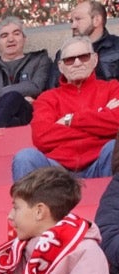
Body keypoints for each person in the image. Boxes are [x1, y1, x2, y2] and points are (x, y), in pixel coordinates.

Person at [12, 37, 119, 180]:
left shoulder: (113, 88)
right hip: (58, 170)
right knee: (25, 157)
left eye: (83, 57)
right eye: (70, 60)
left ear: (94, 59)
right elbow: (42, 137)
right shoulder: (47, 98)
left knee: (113, 146)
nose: (77, 63)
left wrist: (71, 119)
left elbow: (116, 124)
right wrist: (99, 118)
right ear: (61, 67)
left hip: (100, 162)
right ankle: (28, 203)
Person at [0, 17, 56, 129]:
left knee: (13, 97)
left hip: (29, 120)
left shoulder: (40, 61)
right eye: (4, 36)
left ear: (24, 39)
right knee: (12, 111)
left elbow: (35, 86)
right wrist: (5, 105)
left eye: (16, 34)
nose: (11, 39)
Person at [74, 0, 119, 80]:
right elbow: (53, 89)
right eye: (72, 21)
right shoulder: (65, 53)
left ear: (96, 20)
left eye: (78, 19)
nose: (73, 25)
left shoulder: (116, 47)